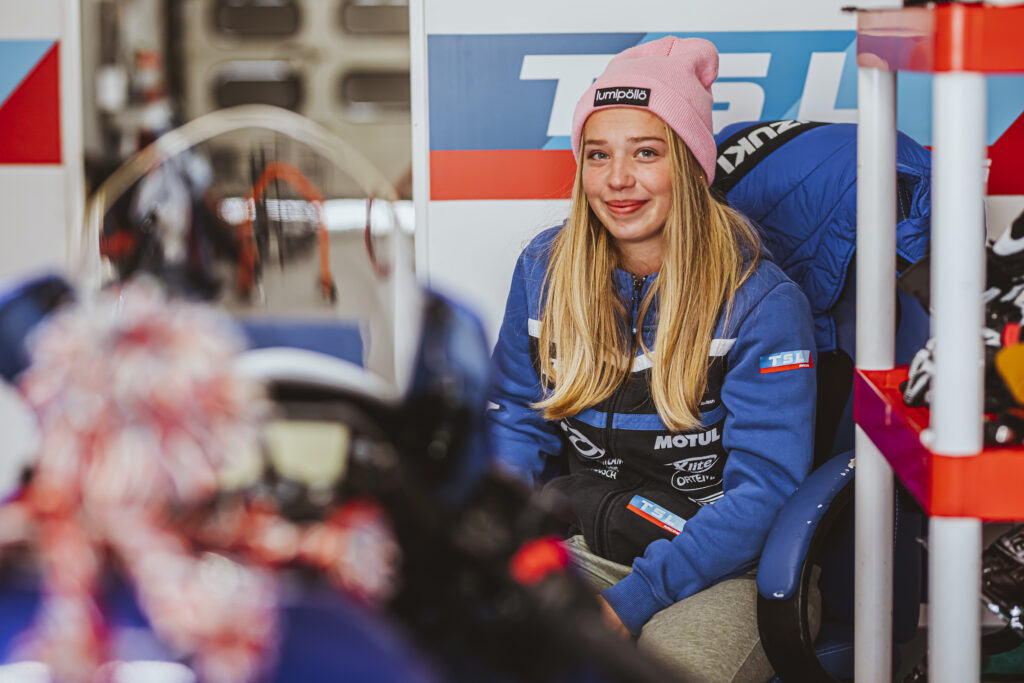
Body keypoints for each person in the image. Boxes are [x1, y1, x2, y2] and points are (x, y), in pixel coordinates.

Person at [488, 36, 817, 682]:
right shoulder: (542, 269)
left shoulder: (761, 300)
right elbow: (515, 422)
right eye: (598, 154)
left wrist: (629, 603)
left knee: (667, 667)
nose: (618, 179)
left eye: (646, 152)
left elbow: (763, 493)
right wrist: (498, 540)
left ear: (690, 165)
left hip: (726, 567)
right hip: (585, 543)